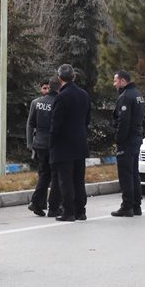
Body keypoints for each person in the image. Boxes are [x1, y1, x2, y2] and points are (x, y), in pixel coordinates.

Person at [49, 63, 91, 222]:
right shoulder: (84, 95)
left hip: (63, 145)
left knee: (65, 180)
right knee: (79, 179)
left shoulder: (61, 97)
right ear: (73, 76)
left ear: (60, 78)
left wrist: (52, 143)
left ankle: (68, 211)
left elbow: (56, 124)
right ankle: (81, 211)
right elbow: (87, 120)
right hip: (80, 143)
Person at [110, 70, 145, 217]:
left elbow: (123, 121)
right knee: (133, 173)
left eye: (115, 81)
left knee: (126, 174)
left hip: (127, 140)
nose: (114, 84)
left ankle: (127, 206)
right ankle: (136, 205)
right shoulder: (138, 94)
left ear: (123, 81)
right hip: (136, 138)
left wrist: (119, 140)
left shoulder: (125, 96)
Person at [25, 77, 61, 217]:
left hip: (40, 143)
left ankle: (36, 203)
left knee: (44, 175)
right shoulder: (58, 102)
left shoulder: (38, 103)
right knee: (56, 176)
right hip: (53, 144)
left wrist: (30, 143)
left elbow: (30, 123)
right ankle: (54, 206)